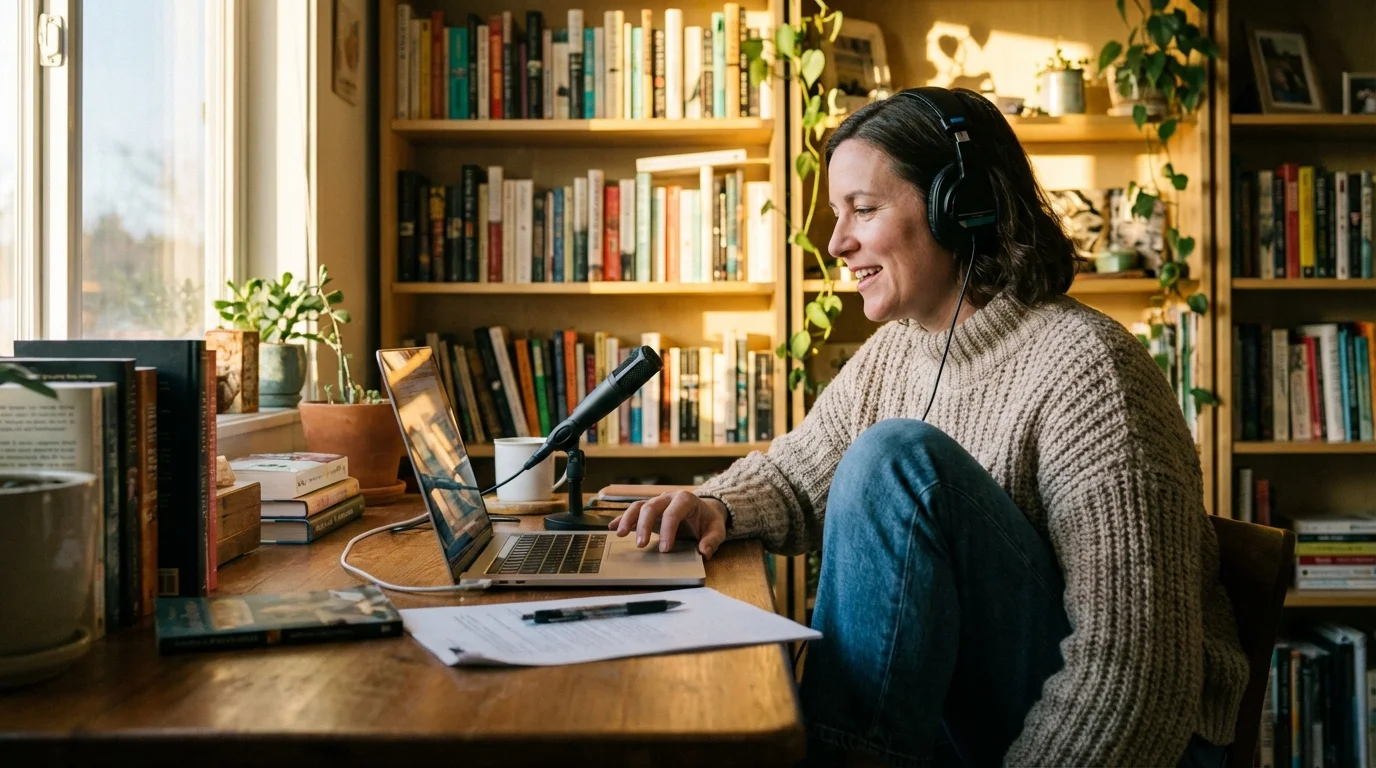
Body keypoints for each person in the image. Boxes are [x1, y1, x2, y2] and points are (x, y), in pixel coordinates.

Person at [608, 86, 1247, 767]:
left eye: (863, 209)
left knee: (892, 455)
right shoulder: (900, 351)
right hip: (977, 717)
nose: (837, 242)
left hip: (1122, 737)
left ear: (960, 209)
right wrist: (715, 505)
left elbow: (1133, 675)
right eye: (837, 213)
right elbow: (802, 473)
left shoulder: (1090, 371)